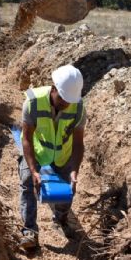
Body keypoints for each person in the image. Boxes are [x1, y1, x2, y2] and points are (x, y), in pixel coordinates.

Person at [17, 64, 86, 250]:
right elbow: (27, 139)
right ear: (53, 88)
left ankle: (61, 218)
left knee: (67, 190)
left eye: (70, 100)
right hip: (38, 152)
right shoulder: (32, 102)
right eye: (63, 99)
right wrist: (33, 171)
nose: (66, 104)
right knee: (27, 183)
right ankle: (29, 230)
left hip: (63, 155)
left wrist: (74, 170)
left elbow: (78, 142)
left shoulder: (78, 107)